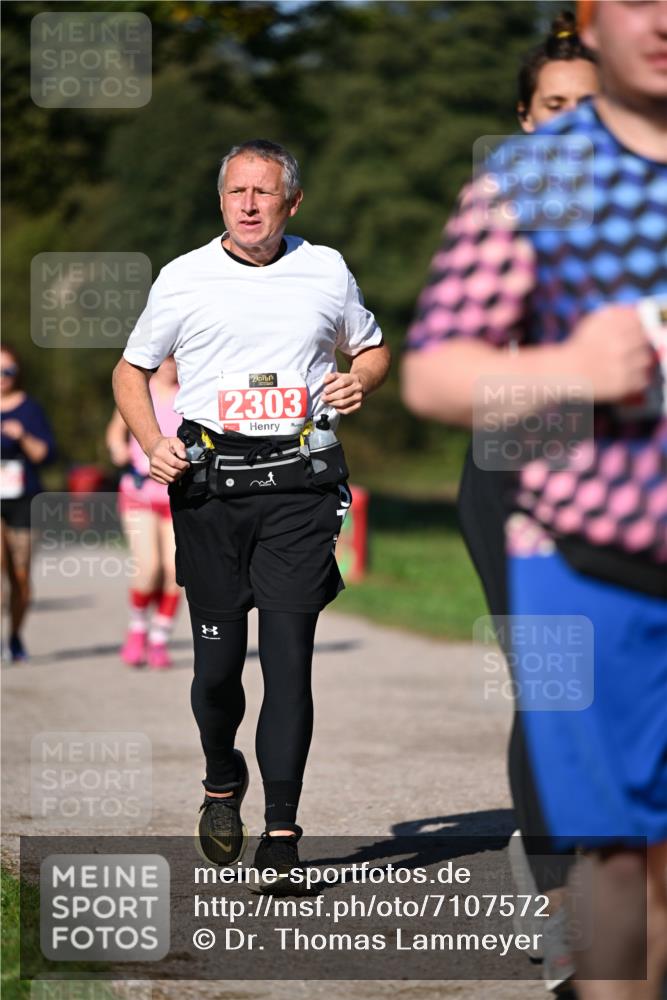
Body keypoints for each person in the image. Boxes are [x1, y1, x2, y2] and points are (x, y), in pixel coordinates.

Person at [402, 1, 667, 996]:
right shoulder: (535, 183)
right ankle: (564, 899)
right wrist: (572, 367)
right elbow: (435, 373)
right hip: (569, 522)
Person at [112, 139, 390, 881]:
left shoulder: (325, 268)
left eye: (263, 193)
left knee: (290, 665)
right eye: (236, 192)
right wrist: (152, 443)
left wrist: (359, 380)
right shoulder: (183, 277)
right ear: (221, 200)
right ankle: (219, 772)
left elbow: (370, 348)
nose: (248, 204)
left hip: (299, 487)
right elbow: (130, 370)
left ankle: (282, 835)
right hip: (211, 490)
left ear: (290, 202)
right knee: (216, 673)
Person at [106, 356, 182, 668]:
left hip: (178, 495)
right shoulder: (140, 389)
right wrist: (117, 449)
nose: (169, 365)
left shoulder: (190, 392)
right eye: (165, 358)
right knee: (148, 567)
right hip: (140, 491)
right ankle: (138, 628)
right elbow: (115, 431)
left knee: (175, 572)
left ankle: (159, 638)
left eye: (175, 359)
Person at [0, 346, 56, 662]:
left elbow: (45, 455)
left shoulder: (30, 409)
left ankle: (15, 637)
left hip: (24, 500)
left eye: (7, 371)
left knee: (20, 577)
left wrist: (22, 436)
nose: (1, 378)